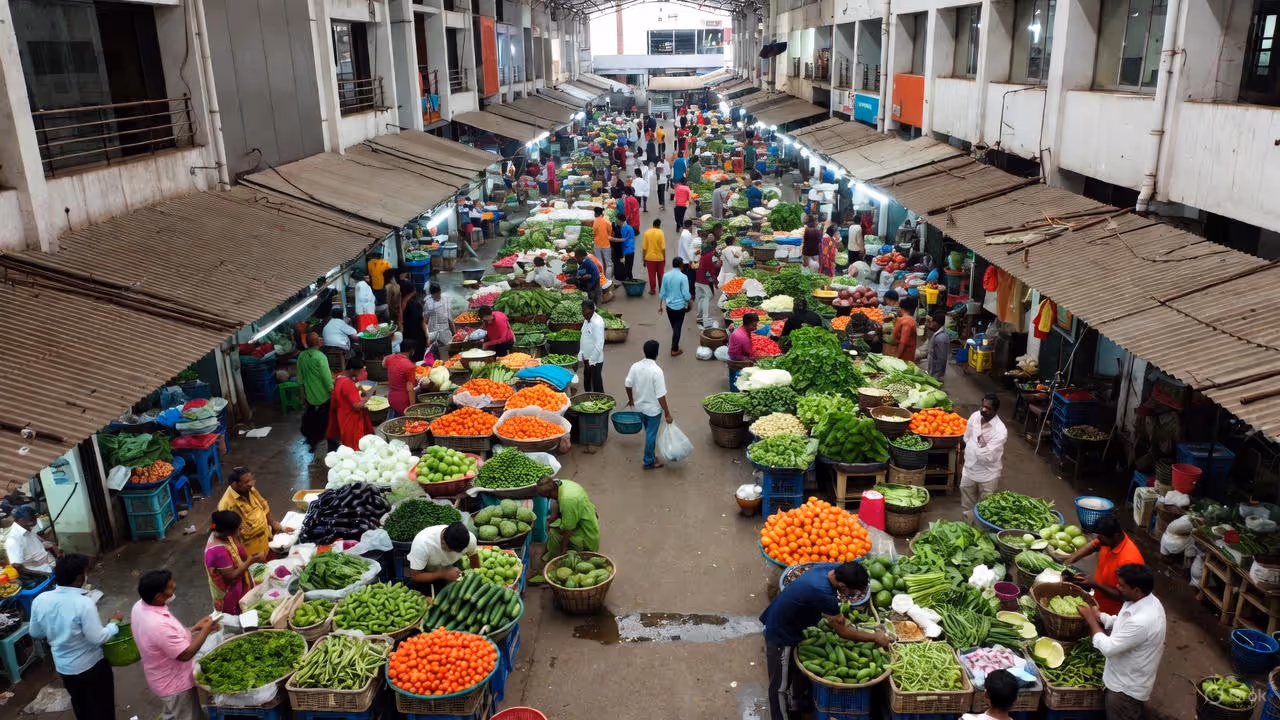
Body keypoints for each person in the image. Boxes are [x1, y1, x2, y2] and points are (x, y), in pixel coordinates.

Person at [759, 562, 888, 720]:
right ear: (841, 585)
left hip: (793, 620)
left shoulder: (828, 570)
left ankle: (797, 703)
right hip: (781, 633)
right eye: (851, 592)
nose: (851, 596)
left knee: (791, 672)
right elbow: (843, 632)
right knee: (780, 686)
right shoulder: (824, 594)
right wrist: (875, 637)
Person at [29, 554, 122, 720]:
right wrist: (113, 625)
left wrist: (56, 631)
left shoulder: (40, 599)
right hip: (91, 666)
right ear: (80, 577)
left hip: (64, 667)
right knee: (102, 707)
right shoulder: (83, 603)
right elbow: (98, 638)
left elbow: (35, 633)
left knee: (81, 705)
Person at [1078, 564, 1165, 720]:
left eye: (1122, 585)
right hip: (1122, 674)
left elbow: (1108, 648)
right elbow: (1123, 623)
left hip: (1126, 690)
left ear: (1137, 590)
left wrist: (1091, 620)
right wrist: (1101, 617)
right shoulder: (1143, 600)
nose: (1117, 587)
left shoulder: (1143, 620)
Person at [132, 570, 220, 720]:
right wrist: (206, 630)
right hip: (174, 684)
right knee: (187, 715)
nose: (174, 590)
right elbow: (185, 654)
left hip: (159, 676)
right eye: (171, 589)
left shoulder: (140, 606)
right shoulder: (157, 624)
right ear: (158, 597)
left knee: (173, 713)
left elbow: (166, 638)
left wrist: (194, 628)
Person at [1062, 515, 1147, 616]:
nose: (1098, 539)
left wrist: (1096, 584)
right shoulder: (1109, 540)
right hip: (1098, 600)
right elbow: (1092, 546)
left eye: (1101, 537)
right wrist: (1068, 561)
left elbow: (1125, 597)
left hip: (1112, 613)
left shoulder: (1129, 560)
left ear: (1115, 535)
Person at [218, 466, 288, 559]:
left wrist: (272, 523)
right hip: (249, 552)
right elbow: (227, 535)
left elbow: (263, 504)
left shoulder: (249, 489)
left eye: (251, 480)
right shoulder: (225, 505)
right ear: (235, 484)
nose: (251, 484)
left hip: (264, 541)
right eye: (246, 482)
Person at [960, 393, 1009, 523]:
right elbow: (966, 437)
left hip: (987, 474)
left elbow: (987, 457)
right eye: (982, 406)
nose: (983, 410)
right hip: (969, 469)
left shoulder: (1000, 431)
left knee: (985, 508)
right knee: (966, 505)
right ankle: (968, 527)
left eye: (987, 408)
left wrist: (973, 446)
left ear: (995, 410)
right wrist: (975, 446)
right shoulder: (975, 416)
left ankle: (981, 533)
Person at [626, 340, 674, 470]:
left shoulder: (635, 366)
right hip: (653, 411)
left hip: (640, 407)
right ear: (657, 353)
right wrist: (668, 413)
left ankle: (651, 456)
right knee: (651, 435)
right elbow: (661, 396)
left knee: (648, 432)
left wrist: (631, 399)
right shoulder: (656, 371)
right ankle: (648, 462)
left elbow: (628, 384)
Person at [204, 511, 263, 613]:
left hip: (239, 585)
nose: (241, 529)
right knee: (237, 617)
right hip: (228, 594)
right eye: (238, 528)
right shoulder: (218, 551)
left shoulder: (224, 535)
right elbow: (230, 576)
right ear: (228, 531)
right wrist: (250, 561)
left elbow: (238, 551)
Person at [536, 476, 600, 561]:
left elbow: (568, 530)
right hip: (586, 516)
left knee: (553, 533)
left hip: (587, 534)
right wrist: (553, 517)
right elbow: (555, 501)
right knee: (553, 524)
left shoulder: (568, 501)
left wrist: (563, 550)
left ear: (550, 494)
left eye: (547, 497)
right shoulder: (561, 484)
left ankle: (579, 551)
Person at [406, 521, 480, 594]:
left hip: (450, 569)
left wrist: (475, 577)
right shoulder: (422, 543)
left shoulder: (470, 541)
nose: (454, 553)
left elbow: (473, 557)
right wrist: (443, 574)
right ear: (443, 541)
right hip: (426, 573)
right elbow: (415, 575)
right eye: (451, 550)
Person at [326, 358, 374, 450]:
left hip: (342, 414)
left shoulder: (340, 377)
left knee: (347, 442)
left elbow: (354, 382)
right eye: (359, 371)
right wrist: (366, 399)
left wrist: (360, 389)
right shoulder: (347, 384)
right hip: (351, 419)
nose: (361, 374)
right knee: (355, 445)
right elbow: (356, 406)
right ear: (352, 370)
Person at [297, 331, 335, 447]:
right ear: (317, 342)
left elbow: (300, 378)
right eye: (318, 338)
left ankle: (313, 439)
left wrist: (302, 395)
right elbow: (326, 378)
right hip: (323, 395)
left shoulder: (301, 356)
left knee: (313, 417)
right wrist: (333, 391)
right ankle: (326, 439)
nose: (321, 339)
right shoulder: (320, 357)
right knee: (326, 420)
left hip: (310, 396)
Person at [5, 505, 58, 576]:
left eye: (35, 519)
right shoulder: (13, 539)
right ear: (21, 520)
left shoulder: (26, 527)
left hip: (48, 563)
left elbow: (36, 545)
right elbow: (18, 567)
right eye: (31, 520)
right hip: (39, 571)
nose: (34, 523)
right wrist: (43, 574)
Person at [659, 257, 692, 357]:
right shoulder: (683, 277)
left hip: (669, 306)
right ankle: (674, 349)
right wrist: (689, 301)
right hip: (680, 307)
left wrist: (660, 306)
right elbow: (686, 294)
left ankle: (675, 341)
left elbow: (662, 292)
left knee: (675, 326)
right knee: (677, 327)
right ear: (681, 265)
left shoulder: (666, 275)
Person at [384, 340, 418, 417]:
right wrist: (412, 407)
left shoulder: (390, 359)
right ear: (411, 351)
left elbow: (383, 364)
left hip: (391, 397)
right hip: (403, 401)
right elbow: (410, 389)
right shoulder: (409, 366)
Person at [580, 300, 606, 393]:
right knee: (587, 382)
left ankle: (600, 402)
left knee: (596, 384)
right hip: (587, 358)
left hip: (595, 360)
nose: (583, 314)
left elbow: (599, 344)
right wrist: (581, 353)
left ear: (592, 310)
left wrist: (592, 360)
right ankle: (588, 399)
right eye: (582, 311)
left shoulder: (598, 323)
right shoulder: (587, 319)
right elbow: (584, 336)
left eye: (585, 311)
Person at [423, 283, 454, 361]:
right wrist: (427, 336)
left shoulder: (446, 300)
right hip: (433, 331)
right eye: (435, 295)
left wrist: (454, 331)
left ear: (440, 292)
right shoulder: (428, 303)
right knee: (433, 354)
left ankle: (445, 367)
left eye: (438, 294)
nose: (437, 297)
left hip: (445, 331)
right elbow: (425, 320)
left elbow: (449, 317)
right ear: (431, 294)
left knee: (444, 354)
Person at [694, 238, 720, 329]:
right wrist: (714, 281)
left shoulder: (704, 255)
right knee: (708, 296)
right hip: (705, 279)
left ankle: (699, 316)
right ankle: (705, 318)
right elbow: (713, 268)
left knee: (701, 297)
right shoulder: (712, 255)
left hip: (698, 278)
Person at [401, 285, 429, 363]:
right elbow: (421, 321)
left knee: (410, 360)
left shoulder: (400, 305)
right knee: (418, 360)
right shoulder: (416, 304)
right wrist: (427, 336)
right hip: (417, 337)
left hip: (407, 336)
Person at [643, 218, 667, 295]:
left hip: (649, 258)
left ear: (653, 224)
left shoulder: (647, 233)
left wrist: (644, 259)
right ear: (659, 225)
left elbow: (644, 248)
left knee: (651, 275)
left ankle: (653, 290)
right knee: (661, 274)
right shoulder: (661, 233)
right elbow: (663, 248)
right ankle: (661, 289)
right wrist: (664, 258)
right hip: (660, 258)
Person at [891, 295, 919, 362]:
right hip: (905, 354)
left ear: (901, 308)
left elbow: (903, 342)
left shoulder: (907, 321)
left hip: (905, 356)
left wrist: (897, 357)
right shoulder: (908, 320)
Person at [926, 312, 950, 383]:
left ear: (937, 323)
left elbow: (942, 358)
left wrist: (937, 374)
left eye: (932, 322)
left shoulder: (941, 338)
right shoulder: (937, 334)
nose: (931, 324)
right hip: (933, 370)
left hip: (936, 373)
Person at [351, 267, 377, 331]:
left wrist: (365, 311)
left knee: (366, 331)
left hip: (365, 313)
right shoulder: (364, 284)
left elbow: (364, 298)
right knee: (371, 330)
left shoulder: (360, 284)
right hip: (368, 312)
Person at [592, 207, 614, 280]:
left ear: (596, 213)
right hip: (606, 245)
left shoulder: (595, 221)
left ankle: (602, 279)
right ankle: (608, 280)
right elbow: (610, 232)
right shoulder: (607, 222)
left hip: (597, 245)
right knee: (608, 264)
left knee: (600, 262)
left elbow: (594, 233)